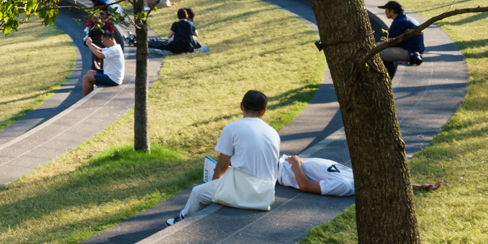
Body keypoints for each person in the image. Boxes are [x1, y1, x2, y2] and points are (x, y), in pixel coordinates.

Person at [166, 90, 279, 224]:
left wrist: (215, 187)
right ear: (264, 111)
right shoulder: (273, 132)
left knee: (197, 193)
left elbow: (221, 166)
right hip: (266, 193)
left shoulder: (232, 128)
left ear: (241, 106)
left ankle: (182, 220)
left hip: (247, 191)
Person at [278, 154, 444, 196]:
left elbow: (305, 186)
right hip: (281, 161)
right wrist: (420, 186)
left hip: (278, 171)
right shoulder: (354, 175)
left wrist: (297, 163)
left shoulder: (345, 186)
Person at [377, 0, 424, 78]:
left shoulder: (399, 21)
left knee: (375, 53)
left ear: (392, 11)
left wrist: (375, 45)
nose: (385, 12)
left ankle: (384, 76)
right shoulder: (403, 18)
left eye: (386, 10)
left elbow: (391, 41)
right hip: (414, 50)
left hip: (410, 52)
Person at [81, 27, 124, 95]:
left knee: (86, 78)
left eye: (103, 41)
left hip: (113, 79)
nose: (103, 43)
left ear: (109, 40)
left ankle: (86, 99)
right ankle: (90, 94)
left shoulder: (114, 50)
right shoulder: (114, 47)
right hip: (108, 74)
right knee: (90, 72)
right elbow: (100, 49)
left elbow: (100, 55)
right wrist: (91, 43)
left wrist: (89, 45)